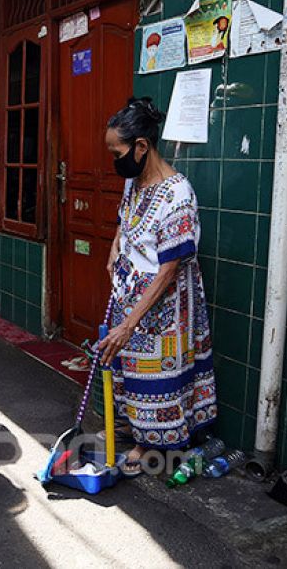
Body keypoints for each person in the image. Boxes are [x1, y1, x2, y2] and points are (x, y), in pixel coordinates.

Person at [97, 97, 217, 475]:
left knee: (156, 376)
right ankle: (137, 433)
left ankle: (155, 446)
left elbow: (169, 268)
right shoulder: (135, 182)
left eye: (117, 153)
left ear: (142, 146)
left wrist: (130, 322)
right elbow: (124, 219)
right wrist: (116, 245)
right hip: (130, 295)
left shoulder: (177, 193)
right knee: (129, 373)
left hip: (162, 309)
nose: (115, 161)